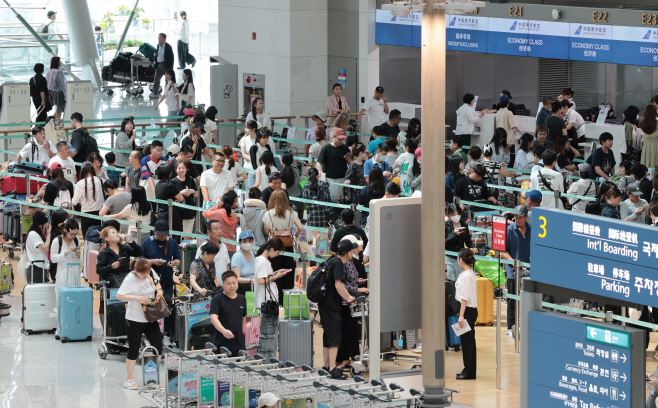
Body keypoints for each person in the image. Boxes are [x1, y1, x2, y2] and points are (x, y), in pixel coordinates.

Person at [116, 258, 163, 390]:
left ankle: (153, 376)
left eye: (147, 273)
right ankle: (129, 379)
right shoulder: (129, 279)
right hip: (134, 318)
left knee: (158, 346)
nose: (145, 276)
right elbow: (119, 296)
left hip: (150, 317)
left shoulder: (150, 272)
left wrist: (159, 292)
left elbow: (157, 284)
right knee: (134, 349)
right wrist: (137, 298)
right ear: (136, 271)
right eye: (143, 274)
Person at [318, 240, 357, 380]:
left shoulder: (331, 260)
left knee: (327, 334)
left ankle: (327, 366)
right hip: (331, 304)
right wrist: (349, 298)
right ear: (347, 252)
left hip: (323, 303)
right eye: (352, 251)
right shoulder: (339, 263)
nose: (353, 253)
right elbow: (338, 285)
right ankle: (333, 369)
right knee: (334, 335)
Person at [97, 226, 143, 326]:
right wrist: (110, 267)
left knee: (126, 305)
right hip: (111, 284)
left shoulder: (124, 248)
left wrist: (131, 242)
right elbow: (98, 269)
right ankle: (110, 331)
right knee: (112, 308)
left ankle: (125, 330)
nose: (117, 233)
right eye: (113, 233)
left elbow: (139, 252)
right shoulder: (104, 252)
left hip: (125, 282)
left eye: (116, 232)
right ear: (107, 238)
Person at [141, 220, 181, 334]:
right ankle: (150, 331)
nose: (163, 236)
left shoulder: (171, 242)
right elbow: (140, 261)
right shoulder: (147, 242)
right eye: (160, 234)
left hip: (167, 279)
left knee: (167, 305)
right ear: (154, 231)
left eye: (165, 234)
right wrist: (153, 262)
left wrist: (173, 263)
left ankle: (166, 331)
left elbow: (178, 259)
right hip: (150, 281)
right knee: (150, 305)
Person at [335, 234, 368, 371]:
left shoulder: (352, 261)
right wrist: (357, 288)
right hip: (345, 303)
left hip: (351, 302)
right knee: (345, 331)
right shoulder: (342, 263)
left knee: (351, 331)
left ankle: (347, 358)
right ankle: (342, 360)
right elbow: (341, 284)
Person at [263, 190, 303, 300]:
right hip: (288, 246)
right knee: (287, 272)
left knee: (275, 272)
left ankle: (276, 300)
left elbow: (266, 230)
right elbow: (300, 228)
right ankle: (287, 301)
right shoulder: (292, 213)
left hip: (273, 247)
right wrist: (295, 235)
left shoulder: (268, 213)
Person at [254, 238, 286, 359]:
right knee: (268, 334)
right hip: (266, 304)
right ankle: (267, 361)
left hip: (266, 303)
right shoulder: (262, 261)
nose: (277, 255)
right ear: (271, 249)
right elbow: (261, 280)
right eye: (277, 252)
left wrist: (276, 272)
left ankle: (269, 360)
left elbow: (265, 276)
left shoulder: (263, 260)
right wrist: (276, 277)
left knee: (269, 333)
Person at [501, 205, 531, 339]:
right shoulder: (509, 230)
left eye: (520, 217)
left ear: (526, 217)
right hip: (513, 270)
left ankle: (527, 325)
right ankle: (510, 327)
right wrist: (515, 263)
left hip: (529, 271)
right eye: (516, 217)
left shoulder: (533, 230)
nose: (517, 220)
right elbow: (503, 251)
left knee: (529, 299)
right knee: (512, 299)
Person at [454, 248, 478, 380]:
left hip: (467, 310)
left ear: (461, 260)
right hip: (467, 310)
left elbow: (465, 297)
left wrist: (461, 315)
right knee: (467, 341)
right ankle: (467, 369)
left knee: (468, 343)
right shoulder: (469, 274)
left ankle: (469, 372)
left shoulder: (467, 275)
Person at [209, 270, 246, 355]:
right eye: (228, 284)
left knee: (239, 367)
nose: (232, 286)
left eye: (234, 283)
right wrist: (224, 331)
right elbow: (213, 318)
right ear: (223, 284)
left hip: (239, 344)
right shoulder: (217, 299)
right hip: (222, 342)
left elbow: (243, 318)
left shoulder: (242, 298)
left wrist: (241, 333)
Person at [316, 128, 351, 200]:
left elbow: (350, 164)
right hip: (331, 179)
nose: (341, 141)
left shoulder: (344, 147)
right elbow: (319, 163)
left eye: (342, 139)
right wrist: (322, 176)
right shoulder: (326, 148)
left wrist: (348, 158)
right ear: (334, 137)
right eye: (339, 139)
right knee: (333, 200)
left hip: (343, 179)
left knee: (344, 199)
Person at [50, 218, 81, 297]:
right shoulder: (57, 241)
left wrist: (78, 252)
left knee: (75, 298)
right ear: (65, 231)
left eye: (76, 234)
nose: (74, 236)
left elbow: (79, 258)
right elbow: (53, 259)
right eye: (72, 234)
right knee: (63, 298)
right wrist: (66, 252)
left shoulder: (76, 240)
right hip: (63, 273)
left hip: (75, 273)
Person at [153, 164, 185, 238]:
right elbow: (181, 198)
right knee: (174, 238)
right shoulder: (169, 186)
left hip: (161, 214)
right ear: (169, 174)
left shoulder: (157, 185)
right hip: (171, 215)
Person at [72, 162, 103, 236]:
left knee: (87, 240)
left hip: (86, 215)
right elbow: (104, 197)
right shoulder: (99, 180)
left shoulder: (80, 183)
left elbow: (74, 202)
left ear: (82, 170)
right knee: (98, 239)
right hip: (99, 214)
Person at [204, 191, 239, 256]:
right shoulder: (234, 216)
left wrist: (216, 207)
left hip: (219, 246)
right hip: (231, 247)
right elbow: (234, 231)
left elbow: (205, 214)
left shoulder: (218, 213)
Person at [445, 204, 474, 282]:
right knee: (451, 281)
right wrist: (454, 234)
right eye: (454, 214)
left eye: (458, 214)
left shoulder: (463, 225)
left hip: (460, 258)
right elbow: (443, 243)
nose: (456, 216)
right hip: (449, 258)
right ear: (449, 214)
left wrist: (473, 247)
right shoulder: (446, 225)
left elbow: (468, 241)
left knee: (460, 281)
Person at [169, 161, 198, 235]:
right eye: (179, 168)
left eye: (183, 168)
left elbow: (196, 195)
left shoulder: (191, 180)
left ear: (186, 169)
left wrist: (193, 191)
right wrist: (181, 193)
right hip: (177, 212)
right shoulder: (172, 181)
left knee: (188, 233)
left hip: (190, 210)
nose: (181, 170)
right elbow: (171, 196)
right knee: (179, 234)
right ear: (175, 170)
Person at [303, 168, 332, 235]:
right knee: (328, 236)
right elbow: (327, 200)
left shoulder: (306, 186)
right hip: (323, 214)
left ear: (308, 176)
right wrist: (330, 215)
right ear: (318, 175)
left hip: (311, 214)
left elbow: (304, 201)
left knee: (315, 237)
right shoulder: (323, 184)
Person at [25, 211, 51, 283]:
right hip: (35, 269)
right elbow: (45, 248)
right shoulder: (33, 234)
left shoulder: (38, 234)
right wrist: (49, 234)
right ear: (40, 224)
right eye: (46, 223)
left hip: (39, 268)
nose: (47, 225)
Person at [155, 70, 181, 138]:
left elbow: (177, 95)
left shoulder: (175, 85)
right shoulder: (167, 85)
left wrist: (178, 106)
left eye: (168, 74)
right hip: (169, 108)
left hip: (174, 108)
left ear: (171, 76)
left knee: (168, 124)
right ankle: (182, 135)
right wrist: (158, 104)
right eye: (166, 74)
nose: (166, 76)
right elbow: (164, 95)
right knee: (173, 125)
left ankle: (159, 137)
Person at [232, 231, 257, 295]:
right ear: (240, 242)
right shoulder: (237, 257)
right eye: (244, 241)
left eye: (250, 241)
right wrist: (251, 280)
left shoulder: (255, 254)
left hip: (256, 287)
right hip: (243, 289)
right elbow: (236, 278)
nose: (248, 243)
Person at [150, 33, 175, 99]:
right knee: (156, 79)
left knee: (167, 80)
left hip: (165, 65)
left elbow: (171, 58)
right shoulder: (158, 46)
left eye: (160, 37)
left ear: (164, 39)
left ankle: (168, 94)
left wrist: (170, 68)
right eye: (158, 37)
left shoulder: (168, 47)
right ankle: (155, 93)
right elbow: (157, 54)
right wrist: (155, 55)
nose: (159, 39)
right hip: (158, 65)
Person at [641, 104, 658, 169]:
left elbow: (644, 137)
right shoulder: (657, 123)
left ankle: (647, 177)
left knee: (646, 165)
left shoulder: (642, 123)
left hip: (646, 147)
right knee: (656, 166)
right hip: (656, 146)